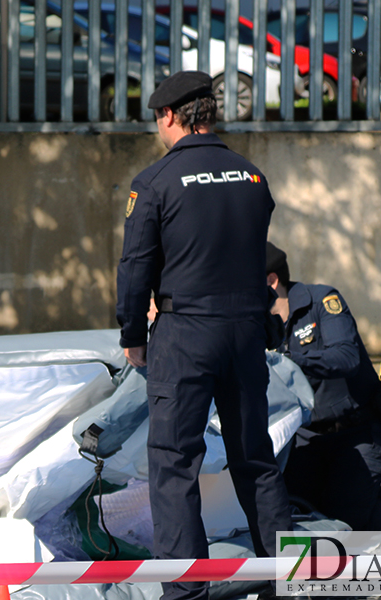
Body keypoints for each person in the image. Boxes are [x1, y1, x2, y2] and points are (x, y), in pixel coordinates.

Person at [115, 71, 291, 600]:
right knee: (255, 459)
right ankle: (287, 581)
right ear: (209, 114)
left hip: (184, 334)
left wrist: (132, 332)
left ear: (170, 116)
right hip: (243, 334)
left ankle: (188, 592)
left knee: (174, 465)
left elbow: (134, 267)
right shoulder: (252, 176)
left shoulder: (155, 181)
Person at [266, 242, 381, 532]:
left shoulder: (322, 301)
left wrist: (290, 359)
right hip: (305, 438)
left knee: (350, 527)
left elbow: (346, 357)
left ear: (271, 281)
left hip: (357, 431)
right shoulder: (257, 322)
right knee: (297, 516)